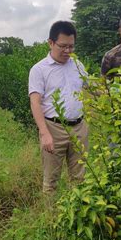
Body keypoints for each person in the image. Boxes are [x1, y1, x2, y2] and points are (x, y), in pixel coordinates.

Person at [28, 21, 88, 193]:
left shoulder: (78, 65)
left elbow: (91, 88)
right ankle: (51, 217)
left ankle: (77, 215)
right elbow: (35, 102)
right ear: (51, 43)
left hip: (79, 128)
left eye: (71, 46)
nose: (68, 51)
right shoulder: (39, 70)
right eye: (63, 46)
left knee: (80, 178)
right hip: (53, 129)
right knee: (51, 182)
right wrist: (44, 133)